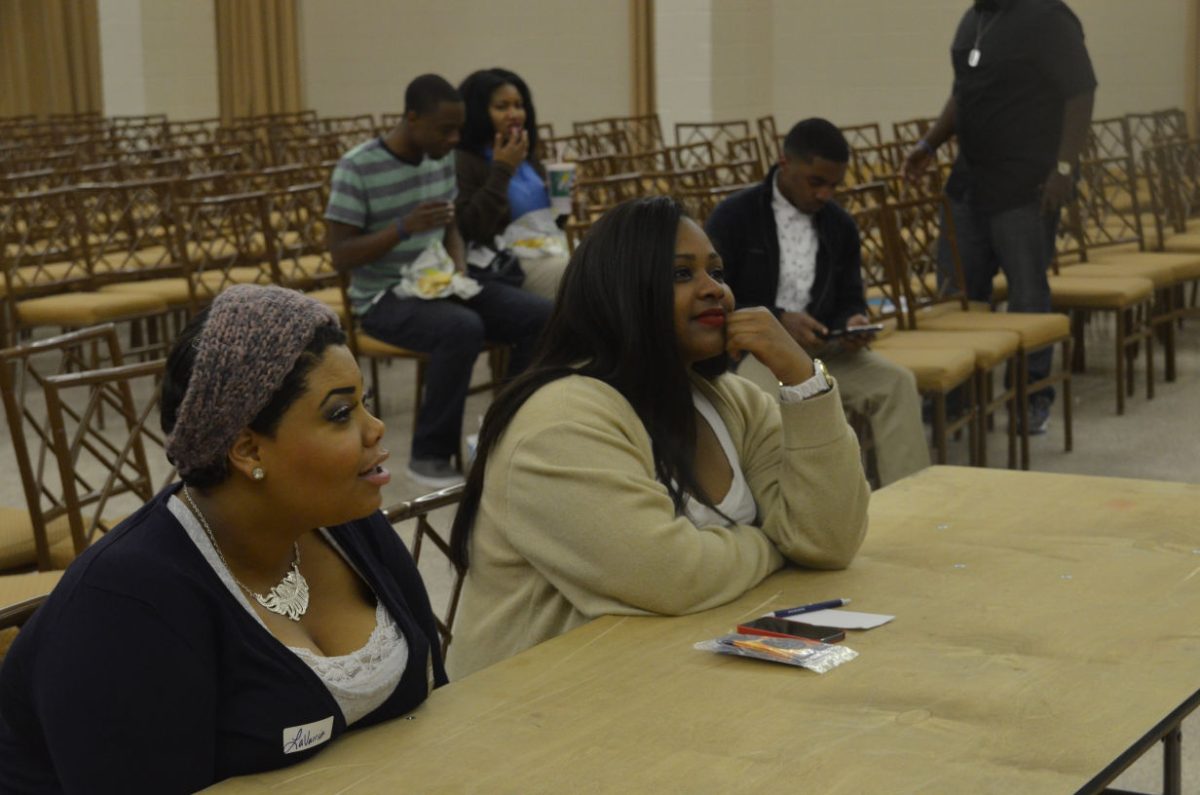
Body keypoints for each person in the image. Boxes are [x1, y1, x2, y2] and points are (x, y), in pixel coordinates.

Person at [0, 285, 447, 793]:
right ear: (248, 450)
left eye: (364, 404)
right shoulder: (126, 603)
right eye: (341, 414)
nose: (377, 429)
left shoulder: (346, 522)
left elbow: (433, 700)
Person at [445, 196, 870, 679]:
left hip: (660, 676)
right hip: (538, 707)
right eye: (681, 275)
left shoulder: (731, 400)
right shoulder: (559, 421)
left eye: (717, 272)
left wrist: (802, 379)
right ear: (621, 292)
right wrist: (772, 545)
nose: (714, 290)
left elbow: (828, 541)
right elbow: (670, 576)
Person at [325, 73, 552, 488]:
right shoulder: (357, 166)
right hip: (382, 296)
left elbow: (450, 227)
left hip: (439, 282)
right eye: (444, 129)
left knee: (540, 316)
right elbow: (340, 256)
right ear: (411, 117)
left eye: (458, 130)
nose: (453, 139)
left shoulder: (440, 157)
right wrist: (402, 228)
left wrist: (459, 267)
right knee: (461, 328)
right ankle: (429, 454)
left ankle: (505, 428)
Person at [903, 0, 1096, 434]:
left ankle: (1031, 398)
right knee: (958, 295)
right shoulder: (973, 20)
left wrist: (1063, 169)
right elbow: (962, 92)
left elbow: (1080, 92)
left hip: (1026, 185)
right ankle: (954, 398)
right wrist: (928, 144)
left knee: (1027, 296)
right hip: (969, 182)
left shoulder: (1049, 17)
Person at [705, 118, 930, 486]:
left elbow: (850, 297)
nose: (825, 194)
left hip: (824, 351)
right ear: (785, 164)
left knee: (897, 384)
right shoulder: (735, 216)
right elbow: (714, 296)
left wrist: (854, 320)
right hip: (755, 352)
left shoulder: (839, 225)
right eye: (816, 182)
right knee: (763, 405)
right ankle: (785, 510)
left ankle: (913, 502)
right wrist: (777, 320)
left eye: (834, 186)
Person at [455, 67, 568, 300]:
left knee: (613, 263)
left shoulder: (523, 153)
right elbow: (471, 228)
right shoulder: (465, 160)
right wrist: (502, 170)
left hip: (544, 250)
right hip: (502, 262)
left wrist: (563, 200)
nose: (514, 114)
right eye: (502, 107)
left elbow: (551, 223)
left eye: (518, 105)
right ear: (478, 112)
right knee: (578, 275)